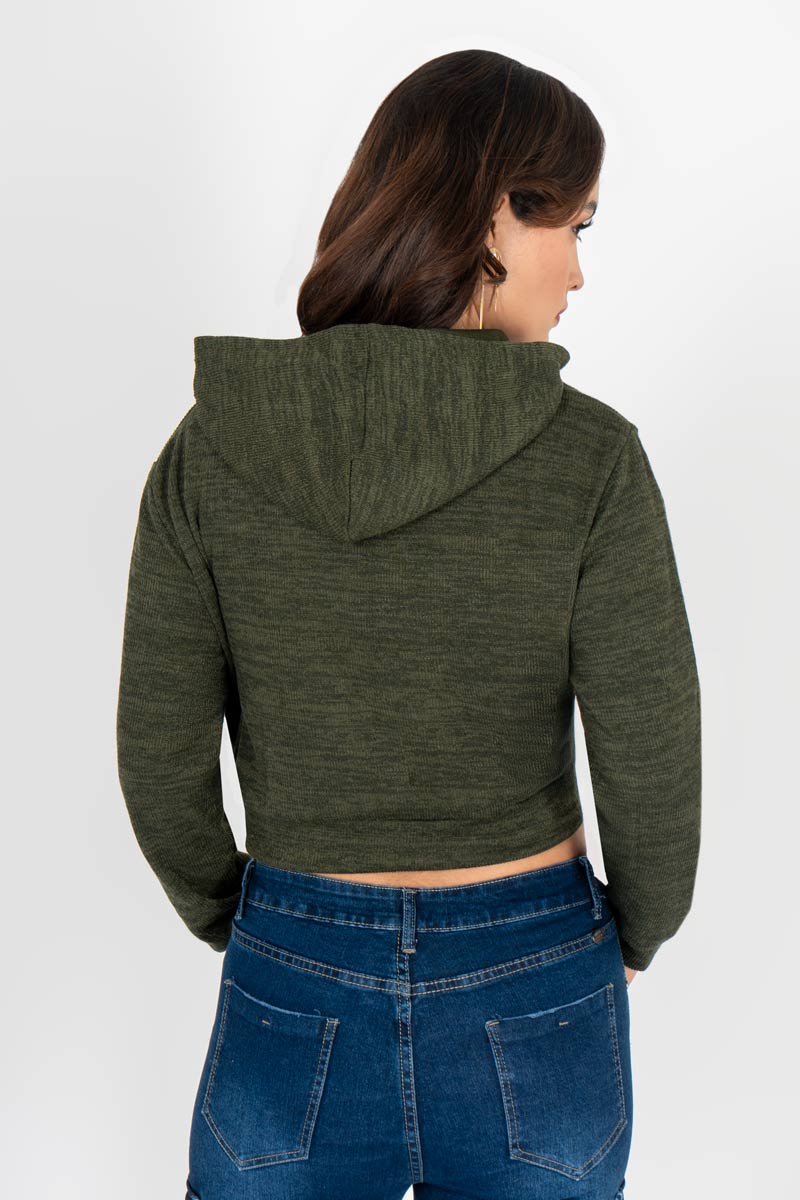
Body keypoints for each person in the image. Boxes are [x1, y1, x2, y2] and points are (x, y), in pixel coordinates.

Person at [116, 48, 701, 1200]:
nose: (578, 271)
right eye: (572, 225)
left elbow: (157, 758)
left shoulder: (209, 453)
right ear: (492, 215)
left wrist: (257, 924)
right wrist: (637, 929)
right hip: (534, 968)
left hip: (294, 960)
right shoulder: (588, 459)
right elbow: (650, 747)